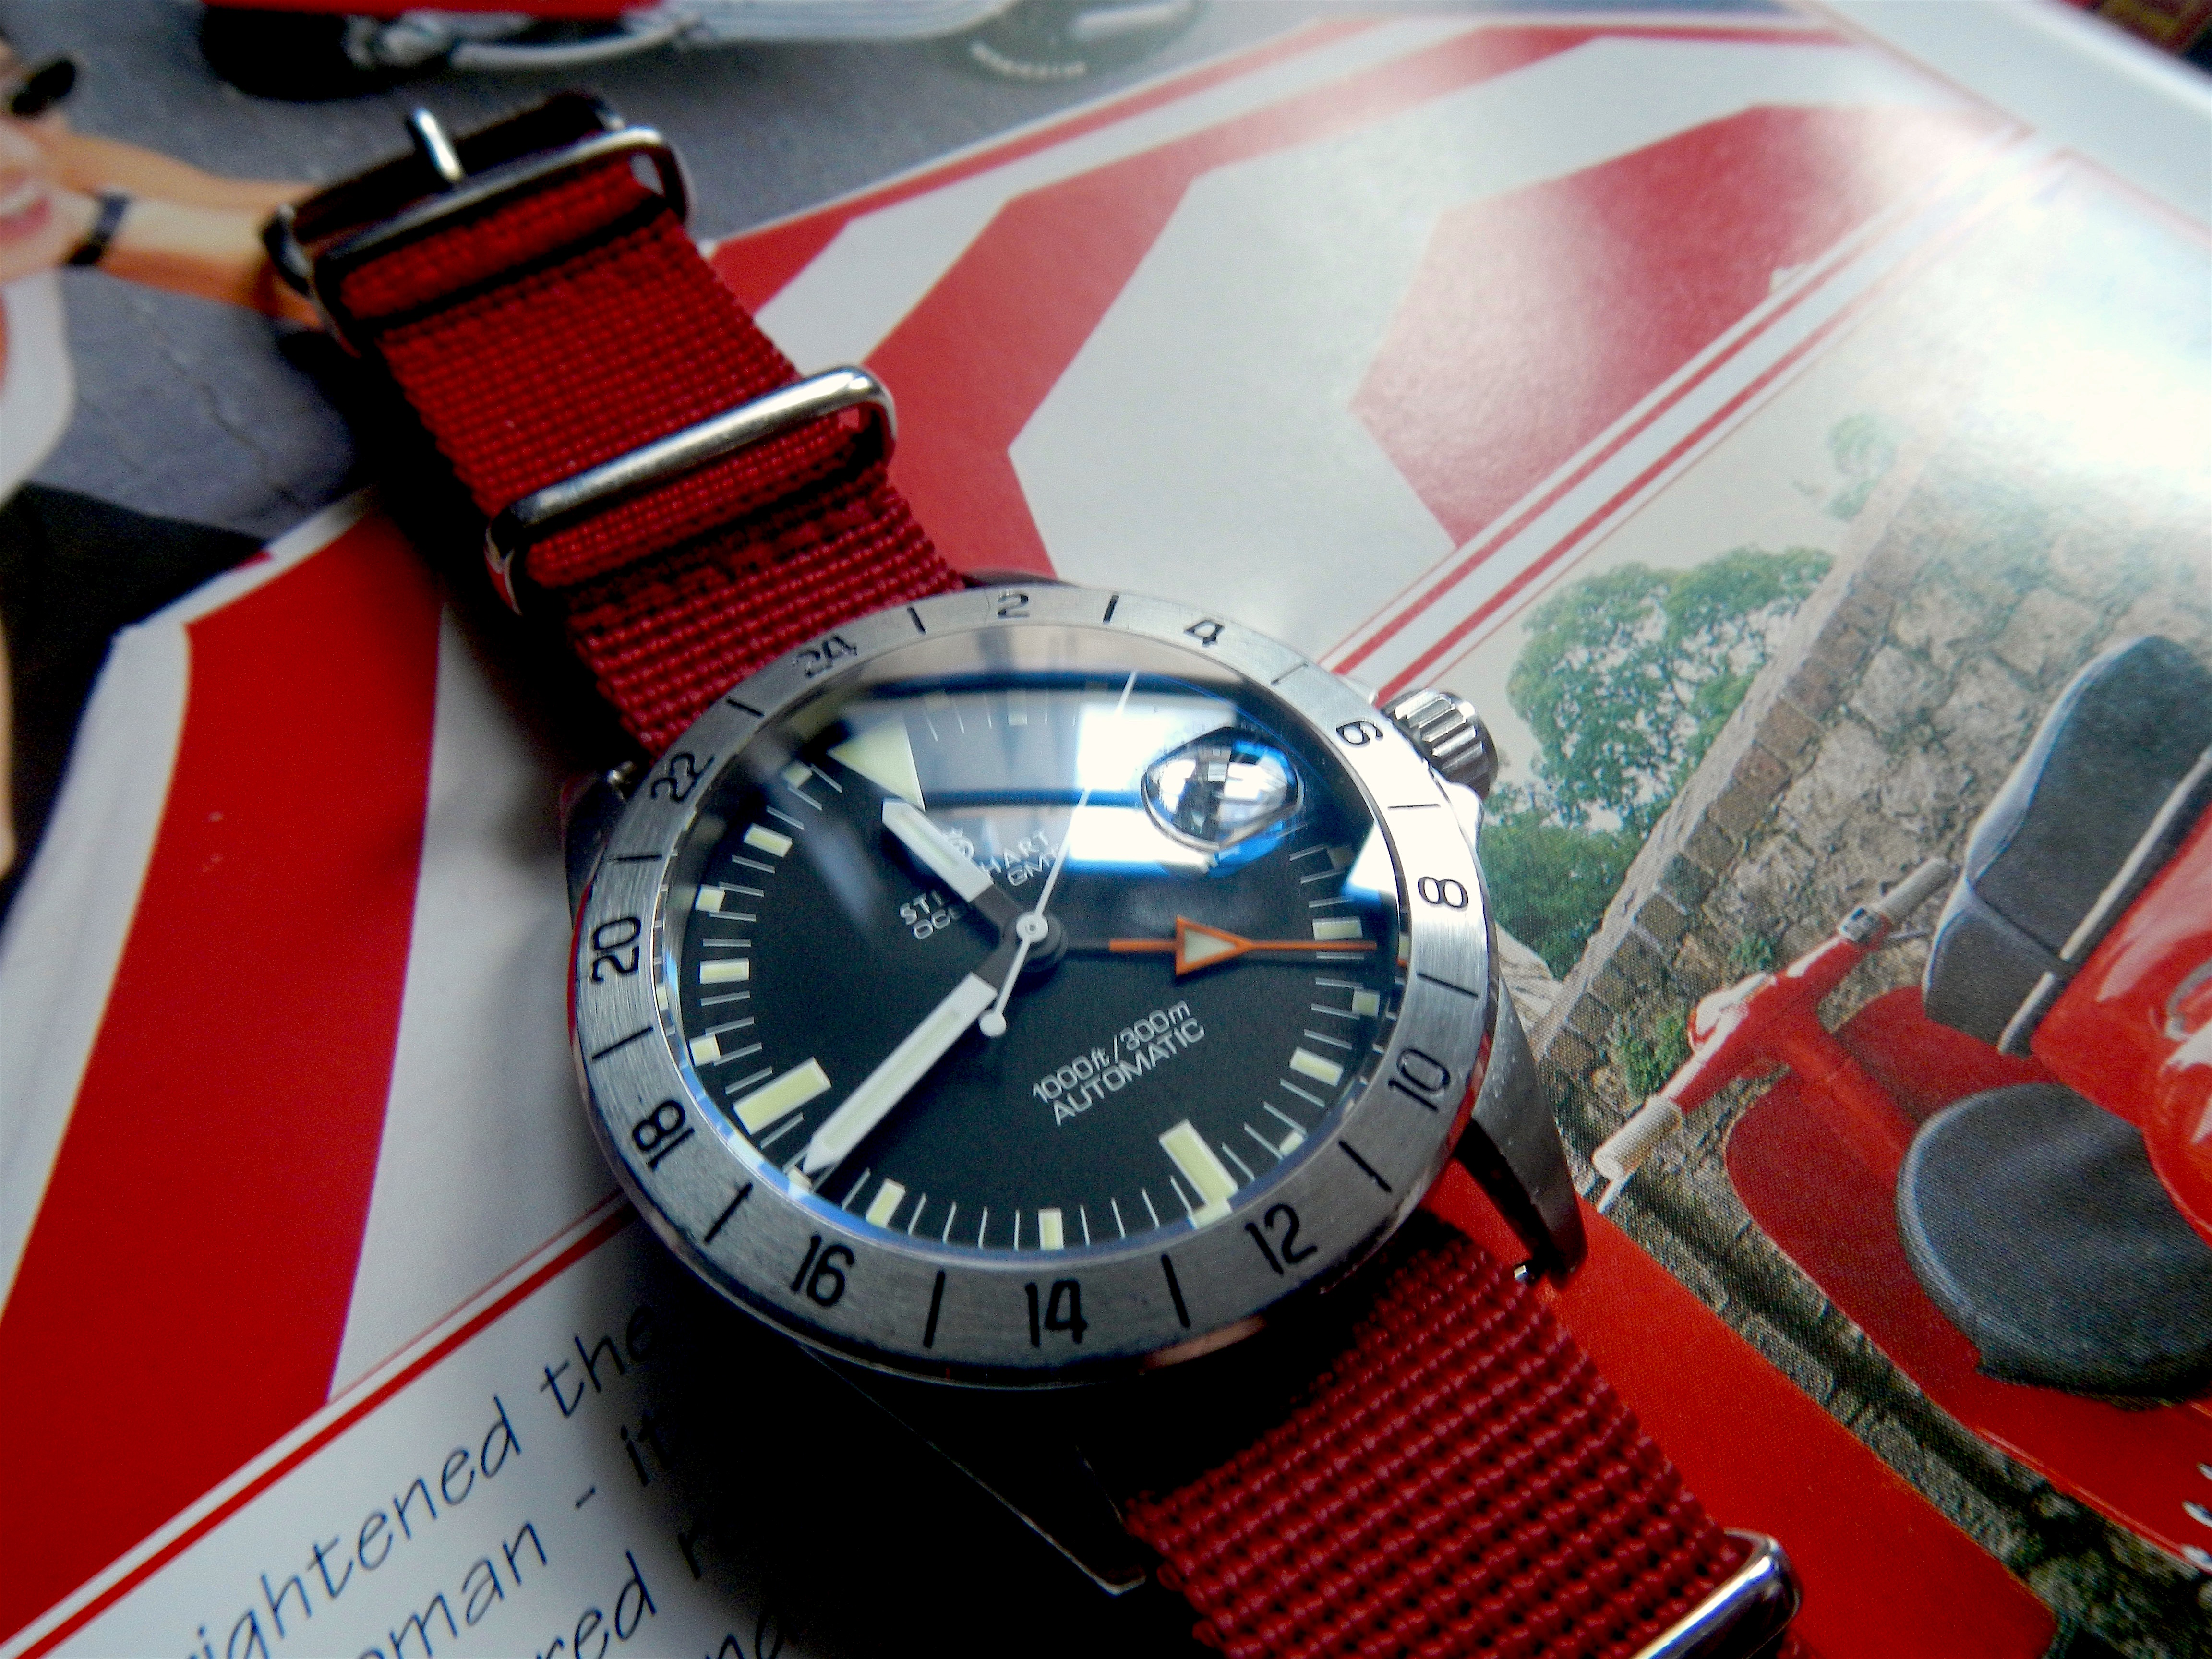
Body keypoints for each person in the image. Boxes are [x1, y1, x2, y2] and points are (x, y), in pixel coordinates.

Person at [0, 39, 309, 902]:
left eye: (22, 93)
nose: (14, 151)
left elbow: (407, 245)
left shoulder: (32, 168)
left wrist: (96, 224)